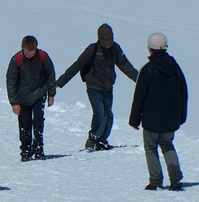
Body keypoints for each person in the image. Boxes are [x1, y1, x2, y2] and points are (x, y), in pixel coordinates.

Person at [56, 23, 138, 151]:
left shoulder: (115, 49)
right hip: (94, 87)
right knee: (100, 114)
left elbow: (125, 65)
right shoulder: (93, 49)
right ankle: (92, 139)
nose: (108, 45)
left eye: (109, 42)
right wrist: (61, 82)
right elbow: (77, 65)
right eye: (105, 43)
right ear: (99, 39)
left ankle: (102, 140)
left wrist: (139, 80)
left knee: (109, 116)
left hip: (108, 88)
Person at [129, 33, 188, 191]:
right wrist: (181, 116)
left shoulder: (147, 70)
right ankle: (175, 178)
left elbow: (139, 96)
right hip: (170, 119)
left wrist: (134, 120)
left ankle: (155, 181)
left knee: (150, 148)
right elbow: (183, 93)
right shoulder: (175, 68)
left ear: (149, 48)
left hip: (151, 119)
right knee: (167, 145)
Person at [6, 35, 56, 161]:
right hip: (22, 97)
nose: (30, 54)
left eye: (32, 52)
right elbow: (11, 81)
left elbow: (50, 75)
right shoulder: (16, 60)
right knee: (24, 123)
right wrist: (14, 102)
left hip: (39, 94)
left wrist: (51, 94)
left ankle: (39, 148)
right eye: (28, 52)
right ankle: (25, 150)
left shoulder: (43, 57)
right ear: (22, 48)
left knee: (38, 121)